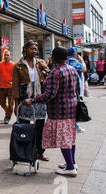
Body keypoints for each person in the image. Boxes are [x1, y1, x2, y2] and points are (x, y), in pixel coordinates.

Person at [24, 47, 79, 177]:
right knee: (70, 137)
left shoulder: (55, 72)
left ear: (54, 58)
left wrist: (33, 100)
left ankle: (70, 167)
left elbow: (50, 94)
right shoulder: (71, 69)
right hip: (72, 108)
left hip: (59, 110)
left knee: (64, 139)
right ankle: (72, 163)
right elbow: (76, 88)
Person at [12, 40, 51, 162]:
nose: (34, 51)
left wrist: (46, 70)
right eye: (31, 48)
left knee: (40, 127)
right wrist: (16, 103)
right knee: (24, 126)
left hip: (39, 99)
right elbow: (15, 85)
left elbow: (49, 79)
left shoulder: (41, 63)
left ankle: (40, 151)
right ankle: (24, 151)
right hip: (25, 99)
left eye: (35, 49)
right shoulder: (18, 65)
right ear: (25, 49)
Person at [67, 47, 87, 133]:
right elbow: (84, 69)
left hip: (67, 87)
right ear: (75, 54)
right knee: (75, 107)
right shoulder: (74, 61)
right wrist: (82, 60)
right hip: (75, 88)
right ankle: (75, 126)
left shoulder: (65, 61)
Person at [0, 50, 15, 124]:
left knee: (10, 103)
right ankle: (8, 112)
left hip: (11, 87)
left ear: (10, 56)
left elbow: (16, 76)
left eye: (7, 55)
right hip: (2, 87)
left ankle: (7, 117)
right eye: (5, 55)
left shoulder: (13, 65)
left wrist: (14, 82)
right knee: (2, 103)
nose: (6, 56)